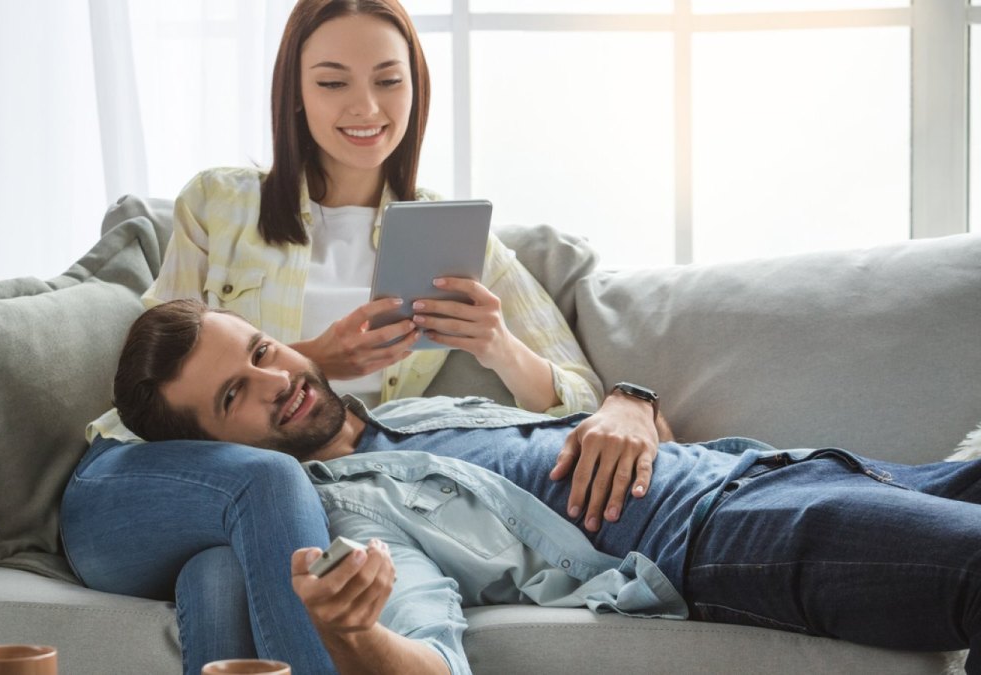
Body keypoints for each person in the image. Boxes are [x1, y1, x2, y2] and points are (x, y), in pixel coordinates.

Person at [77, 0, 659, 668]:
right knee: (269, 479)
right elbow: (150, 369)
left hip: (312, 503)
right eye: (332, 82)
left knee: (218, 573)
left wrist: (498, 345)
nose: (366, 107)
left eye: (388, 79)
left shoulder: (451, 238)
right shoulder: (219, 204)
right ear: (293, 94)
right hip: (161, 464)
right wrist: (319, 356)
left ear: (416, 85)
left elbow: (580, 394)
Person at [63, 299, 981, 675]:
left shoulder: (413, 412)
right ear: (215, 449)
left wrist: (631, 401)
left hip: (787, 465)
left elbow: (626, 432)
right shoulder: (347, 512)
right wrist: (351, 632)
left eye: (261, 350)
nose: (276, 380)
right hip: (721, 535)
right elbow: (430, 659)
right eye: (236, 396)